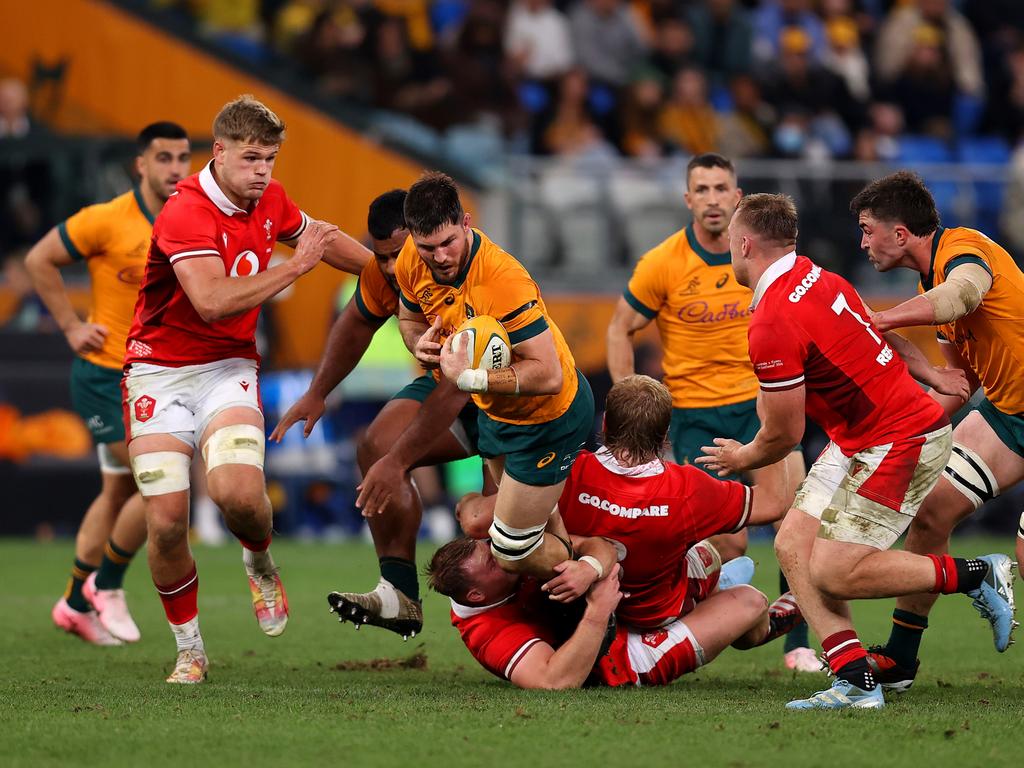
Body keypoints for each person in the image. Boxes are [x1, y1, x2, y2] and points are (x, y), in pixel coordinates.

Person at [697, 193, 1015, 710]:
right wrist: (932, 372)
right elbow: (878, 336)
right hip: (860, 437)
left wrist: (741, 460)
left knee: (833, 570)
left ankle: (980, 573)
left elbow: (782, 434)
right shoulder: (820, 276)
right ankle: (855, 681)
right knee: (792, 548)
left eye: (732, 245)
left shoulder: (771, 320)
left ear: (745, 244)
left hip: (897, 439)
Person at [121, 95, 369, 684]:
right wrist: (294, 267)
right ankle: (190, 649)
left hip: (227, 366)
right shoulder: (185, 213)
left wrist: (395, 274)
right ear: (220, 153)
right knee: (165, 522)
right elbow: (210, 302)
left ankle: (258, 559)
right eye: (253, 158)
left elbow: (323, 239)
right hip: (158, 371)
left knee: (240, 499)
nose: (263, 171)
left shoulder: (269, 199)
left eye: (272, 159)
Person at [606, 152, 814, 671]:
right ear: (688, 199)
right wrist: (629, 398)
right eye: (702, 190)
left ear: (738, 195)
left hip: (760, 404)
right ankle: (716, 617)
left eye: (722, 188)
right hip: (696, 416)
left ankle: (801, 645)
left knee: (797, 513)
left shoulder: (763, 258)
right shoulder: (663, 263)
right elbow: (618, 329)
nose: (714, 199)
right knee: (728, 538)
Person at [357, 171, 594, 586]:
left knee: (511, 548)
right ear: (413, 236)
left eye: (449, 242)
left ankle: (597, 572)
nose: (441, 256)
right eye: (428, 247)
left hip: (548, 417)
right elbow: (410, 317)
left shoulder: (502, 280)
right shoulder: (413, 258)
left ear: (466, 222)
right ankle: (585, 607)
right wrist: (418, 344)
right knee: (513, 529)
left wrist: (472, 379)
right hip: (497, 414)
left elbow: (548, 373)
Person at [272, 189, 488, 639]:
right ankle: (399, 593)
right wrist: (318, 392)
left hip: (510, 399)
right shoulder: (387, 273)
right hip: (446, 383)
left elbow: (468, 383)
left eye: (397, 254)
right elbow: (355, 323)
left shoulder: (474, 270)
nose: (389, 267)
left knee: (494, 532)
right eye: (380, 255)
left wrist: (398, 461)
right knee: (375, 445)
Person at [849, 171, 1024, 691]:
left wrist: (880, 322)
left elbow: (962, 294)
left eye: (866, 229)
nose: (862, 242)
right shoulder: (928, 286)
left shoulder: (963, 250)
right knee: (930, 512)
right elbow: (958, 383)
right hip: (1009, 414)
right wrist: (898, 433)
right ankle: (901, 662)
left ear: (900, 234)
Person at [25, 122, 192, 645]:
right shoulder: (106, 219)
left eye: (183, 158)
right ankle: (109, 586)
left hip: (154, 377)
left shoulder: (190, 218)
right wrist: (72, 325)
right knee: (158, 481)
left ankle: (75, 602)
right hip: (104, 376)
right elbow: (38, 259)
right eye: (163, 158)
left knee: (119, 488)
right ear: (140, 164)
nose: (175, 168)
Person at [427, 534, 800, 689]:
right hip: (621, 659)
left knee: (729, 541)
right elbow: (554, 682)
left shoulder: (508, 548)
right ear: (476, 595)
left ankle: (720, 598)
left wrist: (589, 566)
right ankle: (765, 617)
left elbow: (595, 544)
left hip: (624, 600)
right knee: (749, 602)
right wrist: (597, 612)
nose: (501, 557)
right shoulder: (486, 632)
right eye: (492, 564)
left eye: (491, 547)